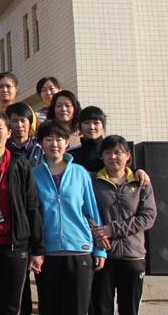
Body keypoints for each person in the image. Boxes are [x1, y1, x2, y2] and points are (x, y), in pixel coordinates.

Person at [31, 121, 106, 315]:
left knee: (77, 309)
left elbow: (91, 212)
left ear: (67, 143)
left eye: (59, 139)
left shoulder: (80, 173)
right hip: (47, 254)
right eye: (48, 139)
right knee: (49, 309)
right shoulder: (33, 175)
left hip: (79, 251)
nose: (54, 144)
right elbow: (32, 216)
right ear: (41, 143)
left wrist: (100, 249)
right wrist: (34, 250)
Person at [0, 111, 44, 315]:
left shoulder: (20, 165)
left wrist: (37, 248)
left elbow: (32, 206)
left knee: (11, 306)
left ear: (9, 133)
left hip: (15, 245)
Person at [91, 135, 157, 315]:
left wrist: (112, 230)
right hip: (103, 256)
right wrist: (97, 233)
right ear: (101, 156)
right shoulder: (92, 181)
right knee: (101, 309)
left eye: (118, 152)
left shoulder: (140, 182)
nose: (113, 157)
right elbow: (84, 211)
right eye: (107, 152)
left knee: (130, 309)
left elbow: (148, 216)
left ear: (128, 156)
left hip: (132, 256)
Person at [5, 102, 43, 168]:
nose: (19, 125)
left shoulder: (41, 148)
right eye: (15, 121)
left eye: (23, 120)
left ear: (30, 123)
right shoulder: (3, 148)